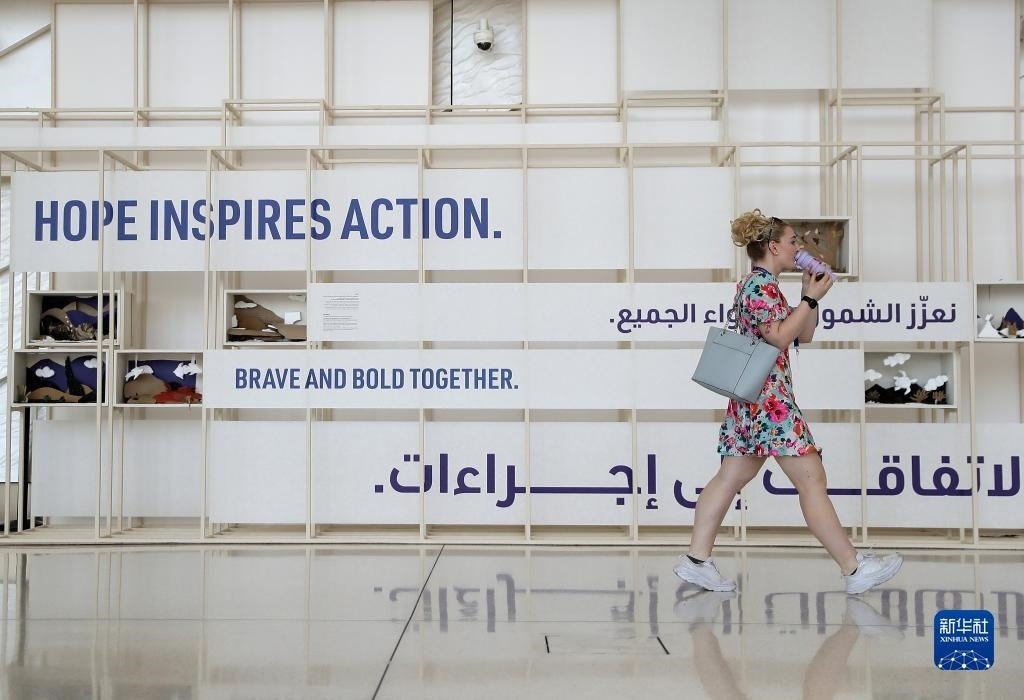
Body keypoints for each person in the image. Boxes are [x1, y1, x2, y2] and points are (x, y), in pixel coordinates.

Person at [674, 210, 902, 595]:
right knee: (811, 479)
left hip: (755, 401)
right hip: (770, 403)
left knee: (730, 477)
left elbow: (803, 335)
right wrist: (809, 299)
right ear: (773, 247)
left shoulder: (765, 285)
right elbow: (779, 337)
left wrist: (808, 297)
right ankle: (854, 568)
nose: (799, 248)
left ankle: (696, 560)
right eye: (793, 241)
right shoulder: (758, 287)